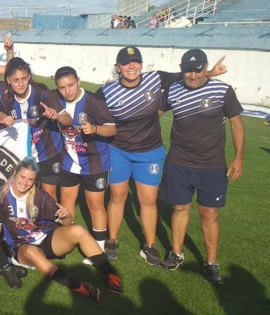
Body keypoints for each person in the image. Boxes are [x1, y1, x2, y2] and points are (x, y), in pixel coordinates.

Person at [95, 46, 225, 264]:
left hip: (150, 152)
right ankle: (112, 240)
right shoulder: (107, 91)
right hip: (119, 151)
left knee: (148, 200)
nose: (131, 66)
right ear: (118, 67)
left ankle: (150, 245)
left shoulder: (155, 79)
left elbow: (184, 77)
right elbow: (87, 104)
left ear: (141, 65)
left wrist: (210, 73)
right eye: (126, 63)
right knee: (118, 197)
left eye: (135, 61)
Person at [157, 49, 244, 285]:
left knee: (210, 214)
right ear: (182, 68)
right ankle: (176, 254)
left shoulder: (222, 90)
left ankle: (211, 263)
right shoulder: (173, 90)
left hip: (212, 166)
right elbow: (154, 113)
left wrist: (238, 157)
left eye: (197, 69)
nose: (192, 75)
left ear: (205, 68)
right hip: (178, 162)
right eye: (188, 70)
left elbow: (236, 124)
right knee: (179, 209)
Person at [0, 159, 123, 301]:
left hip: (48, 239)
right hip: (21, 246)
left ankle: (111, 275)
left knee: (78, 230)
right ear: (15, 174)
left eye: (30, 179)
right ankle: (79, 287)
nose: (25, 182)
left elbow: (67, 222)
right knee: (31, 252)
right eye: (22, 177)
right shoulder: (1, 196)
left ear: (35, 180)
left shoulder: (41, 196)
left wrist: (66, 215)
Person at [53, 67, 116, 258]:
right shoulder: (56, 100)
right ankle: (67, 240)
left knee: (95, 203)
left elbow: (112, 129)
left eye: (71, 85)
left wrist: (95, 128)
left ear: (78, 81)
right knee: (66, 201)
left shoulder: (93, 102)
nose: (67, 90)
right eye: (62, 87)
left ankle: (98, 248)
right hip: (69, 161)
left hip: (94, 161)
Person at [0, 57, 66, 200]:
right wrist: (11, 123)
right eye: (16, 80)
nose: (21, 83)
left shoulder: (42, 92)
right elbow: (3, 131)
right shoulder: (5, 102)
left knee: (48, 195)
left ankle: (50, 222)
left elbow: (68, 119)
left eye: (24, 78)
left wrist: (57, 116)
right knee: (22, 194)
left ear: (29, 76)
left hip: (49, 151)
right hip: (23, 155)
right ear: (8, 81)